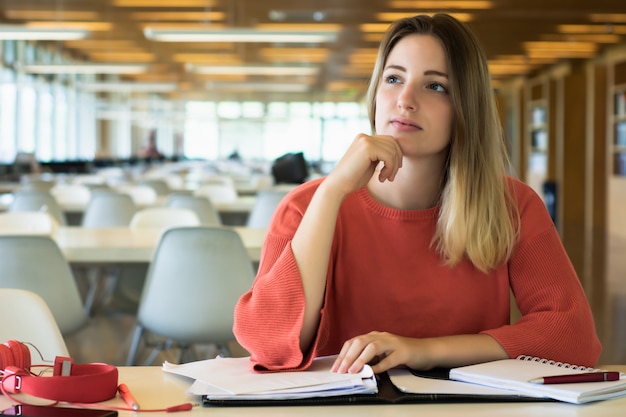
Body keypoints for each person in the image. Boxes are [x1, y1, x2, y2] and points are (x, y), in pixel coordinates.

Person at [233, 13, 601, 375]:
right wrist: (330, 194)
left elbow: (574, 339)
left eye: (435, 86)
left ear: (465, 109)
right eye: (393, 79)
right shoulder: (305, 207)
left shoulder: (511, 205)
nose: (405, 100)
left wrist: (425, 351)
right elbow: (269, 345)